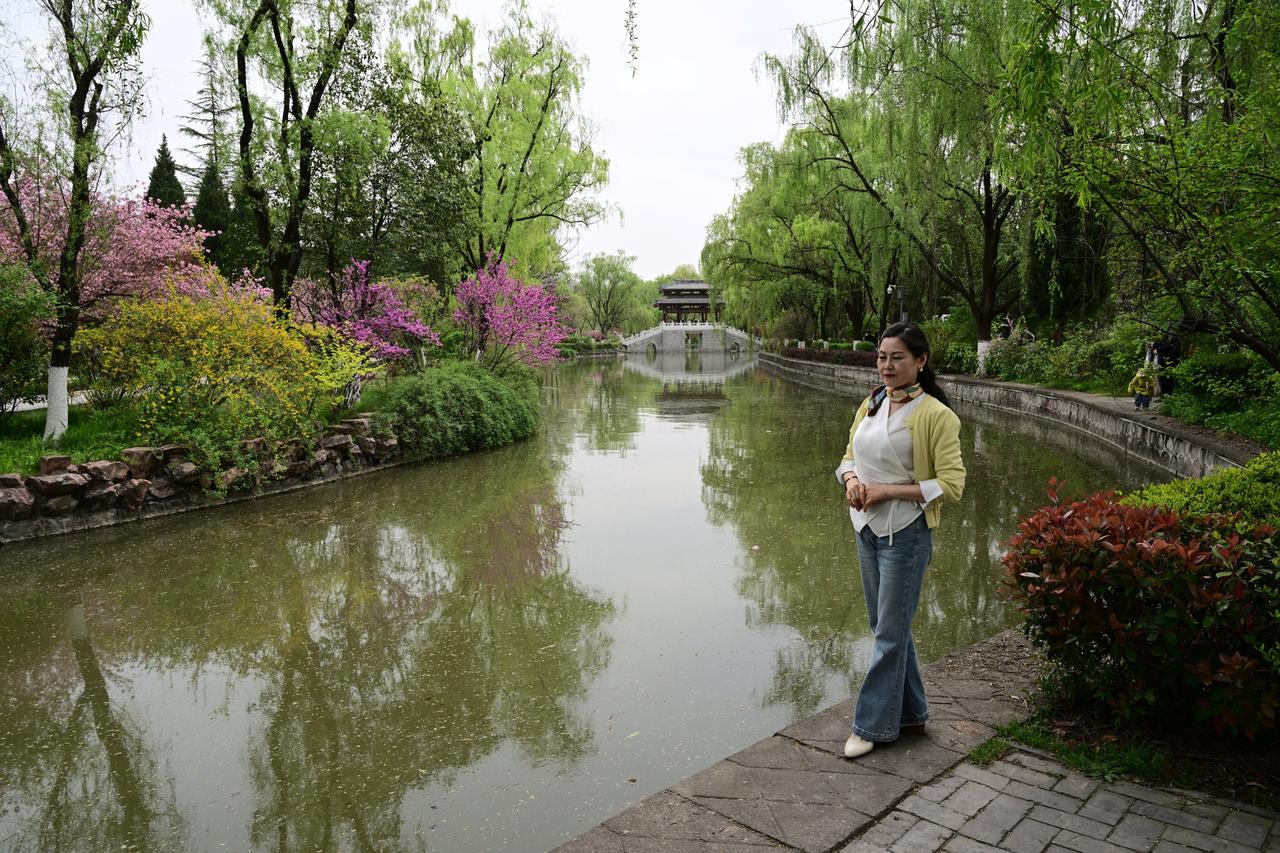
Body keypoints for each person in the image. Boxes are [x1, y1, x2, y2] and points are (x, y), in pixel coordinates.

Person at [834, 322, 966, 759]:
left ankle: (870, 725)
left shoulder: (936, 415)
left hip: (906, 534)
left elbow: (951, 485)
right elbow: (848, 457)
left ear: (920, 361)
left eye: (897, 357)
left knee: (889, 633)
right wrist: (852, 480)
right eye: (881, 356)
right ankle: (912, 713)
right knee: (887, 627)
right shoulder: (870, 403)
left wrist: (887, 491)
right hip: (865, 529)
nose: (886, 366)